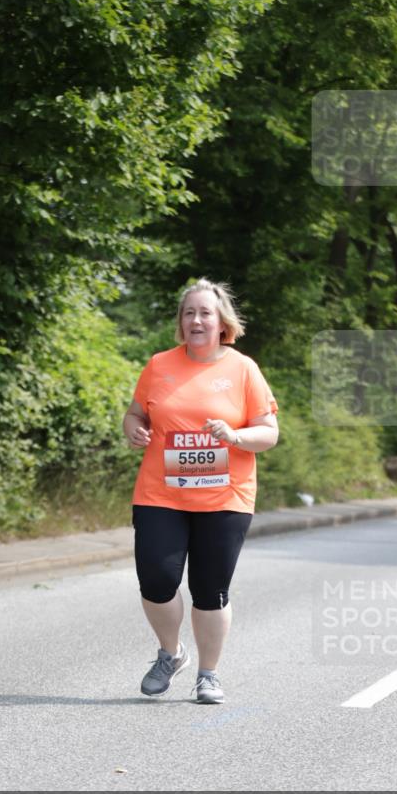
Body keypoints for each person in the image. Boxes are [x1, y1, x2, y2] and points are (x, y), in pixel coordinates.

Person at [122, 277, 279, 704]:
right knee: (155, 579)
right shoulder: (159, 365)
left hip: (225, 496)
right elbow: (135, 414)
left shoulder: (243, 368)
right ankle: (170, 654)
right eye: (189, 313)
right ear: (181, 321)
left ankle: (208, 674)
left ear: (221, 321)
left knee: (210, 589)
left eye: (205, 313)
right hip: (161, 493)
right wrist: (134, 430)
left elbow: (269, 432)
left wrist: (234, 434)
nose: (196, 320)